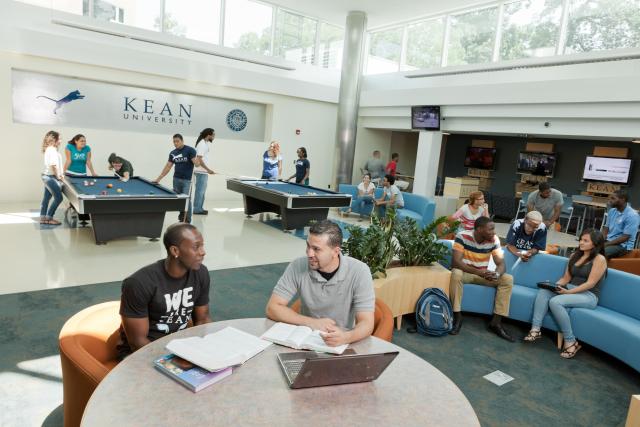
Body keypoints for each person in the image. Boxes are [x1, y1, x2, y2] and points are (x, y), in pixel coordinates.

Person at [265, 220, 375, 347]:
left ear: (335, 251)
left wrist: (346, 337)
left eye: (316, 249)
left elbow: (367, 323)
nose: (309, 253)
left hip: (341, 341)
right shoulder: (297, 266)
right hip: (305, 338)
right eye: (308, 246)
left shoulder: (360, 271)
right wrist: (312, 323)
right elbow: (272, 308)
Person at [117, 223, 212, 360]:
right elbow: (137, 343)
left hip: (180, 347)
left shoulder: (200, 273)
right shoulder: (139, 283)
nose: (203, 252)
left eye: (202, 245)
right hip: (141, 354)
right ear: (175, 251)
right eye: (196, 247)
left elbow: (202, 319)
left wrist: (205, 350)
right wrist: (172, 362)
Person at [523, 229, 607, 359]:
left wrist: (568, 292)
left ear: (595, 244)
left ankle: (571, 341)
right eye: (581, 239)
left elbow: (590, 283)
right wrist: (554, 286)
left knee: (555, 302)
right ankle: (535, 329)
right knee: (544, 292)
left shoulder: (599, 259)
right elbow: (566, 278)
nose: (581, 242)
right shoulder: (574, 255)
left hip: (589, 296)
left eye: (586, 241)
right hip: (571, 289)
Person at [449, 217, 515, 341]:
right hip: (466, 274)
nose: (494, 232)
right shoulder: (462, 236)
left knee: (507, 279)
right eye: (491, 229)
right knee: (456, 273)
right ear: (479, 229)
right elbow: (456, 262)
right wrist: (479, 272)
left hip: (482, 276)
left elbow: (501, 264)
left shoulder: (494, 240)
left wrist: (496, 274)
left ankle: (496, 322)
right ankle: (457, 316)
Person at [153, 134, 197, 223]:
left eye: (177, 141)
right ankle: (181, 217)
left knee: (186, 199)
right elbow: (168, 167)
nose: (175, 143)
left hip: (187, 180)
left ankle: (187, 220)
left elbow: (196, 164)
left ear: (182, 141)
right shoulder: (173, 153)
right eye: (174, 141)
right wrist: (159, 178)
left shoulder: (190, 150)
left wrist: (198, 160)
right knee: (179, 199)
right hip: (176, 179)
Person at [602, 190, 640, 259]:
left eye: (613, 198)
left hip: (622, 246)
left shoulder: (632, 215)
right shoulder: (612, 211)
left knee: (600, 253)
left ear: (623, 199)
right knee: (586, 247)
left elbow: (625, 237)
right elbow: (606, 228)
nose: (610, 200)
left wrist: (605, 244)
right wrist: (600, 240)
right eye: (610, 198)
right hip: (609, 241)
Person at [40, 130, 64, 226]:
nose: (61, 141)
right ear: (55, 139)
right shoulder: (53, 149)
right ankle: (49, 218)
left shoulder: (49, 149)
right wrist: (58, 177)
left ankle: (43, 218)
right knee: (59, 198)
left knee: (46, 198)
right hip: (50, 177)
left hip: (46, 176)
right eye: (60, 139)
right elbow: (53, 165)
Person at [193, 128, 216, 215]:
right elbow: (199, 160)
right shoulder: (202, 144)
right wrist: (208, 170)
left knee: (201, 191)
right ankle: (197, 209)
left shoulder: (204, 143)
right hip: (201, 172)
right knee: (200, 191)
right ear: (208, 135)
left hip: (202, 172)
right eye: (213, 135)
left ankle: (199, 208)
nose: (214, 137)